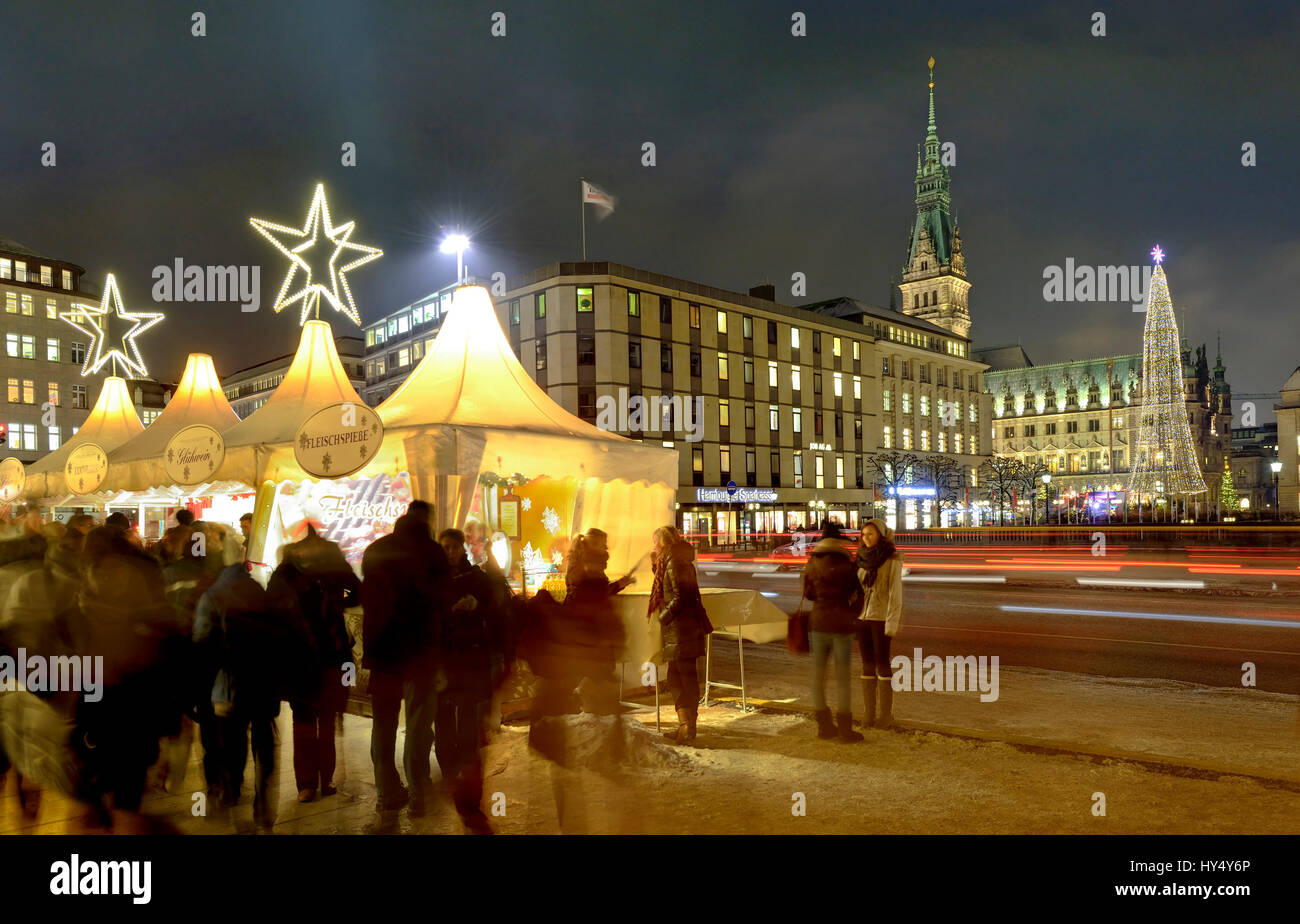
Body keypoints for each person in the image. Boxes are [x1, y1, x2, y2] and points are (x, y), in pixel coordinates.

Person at [360, 501, 447, 815]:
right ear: (427, 519)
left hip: (382, 652)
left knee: (382, 724)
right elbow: (440, 603)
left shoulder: (374, 551)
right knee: (419, 723)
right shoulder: (433, 553)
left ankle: (387, 791)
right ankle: (419, 793)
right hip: (419, 652)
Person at [193, 560, 289, 829]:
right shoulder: (260, 594)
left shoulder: (212, 596)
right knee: (265, 744)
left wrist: (200, 688)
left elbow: (202, 642)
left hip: (229, 686)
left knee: (233, 743)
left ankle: (232, 792)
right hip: (264, 685)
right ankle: (264, 805)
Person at [269, 525, 358, 803]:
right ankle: (323, 780)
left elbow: (270, 607)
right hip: (328, 652)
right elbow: (358, 592)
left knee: (305, 721)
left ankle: (307, 785)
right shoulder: (331, 565)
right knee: (324, 720)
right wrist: (337, 604)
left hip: (300, 656)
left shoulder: (285, 571)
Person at [435, 528, 507, 833]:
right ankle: (448, 768)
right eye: (445, 547)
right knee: (442, 717)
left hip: (469, 657)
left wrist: (475, 608)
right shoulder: (434, 579)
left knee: (466, 715)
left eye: (454, 547)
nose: (450, 552)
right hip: (443, 658)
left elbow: (494, 609)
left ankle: (463, 772)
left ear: (462, 548)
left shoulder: (475, 578)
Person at [647, 526, 712, 744]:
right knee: (679, 676)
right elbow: (667, 584)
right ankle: (685, 725)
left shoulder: (675, 562)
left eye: (655, 542)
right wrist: (655, 565)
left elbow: (681, 595)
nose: (653, 546)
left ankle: (687, 727)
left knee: (682, 677)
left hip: (682, 628)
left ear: (663, 543)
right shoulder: (672, 560)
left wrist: (663, 617)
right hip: (683, 629)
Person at [802, 538, 863, 742]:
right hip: (841, 624)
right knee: (843, 679)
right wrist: (851, 613)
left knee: (818, 678)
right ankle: (845, 730)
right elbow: (859, 594)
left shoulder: (812, 564)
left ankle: (824, 726)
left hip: (818, 622)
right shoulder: (847, 564)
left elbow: (808, 593)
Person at [855, 518, 903, 729]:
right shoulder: (860, 559)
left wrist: (891, 625)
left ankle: (885, 715)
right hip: (862, 619)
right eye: (864, 534)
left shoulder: (891, 560)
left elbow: (895, 595)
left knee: (882, 665)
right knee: (866, 665)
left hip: (881, 618)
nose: (866, 538)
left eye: (871, 534)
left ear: (881, 536)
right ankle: (869, 714)